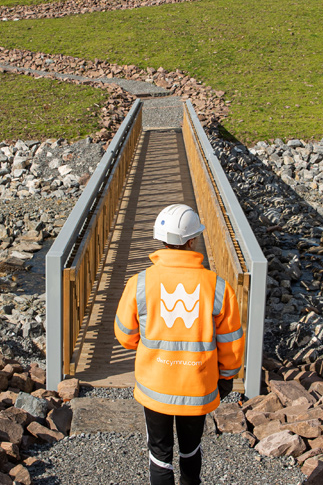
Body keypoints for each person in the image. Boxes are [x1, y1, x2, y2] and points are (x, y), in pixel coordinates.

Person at [114, 203, 245, 485]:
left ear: (161, 240)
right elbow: (231, 343)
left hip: (155, 386)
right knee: (191, 448)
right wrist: (227, 377)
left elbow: (125, 335)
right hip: (197, 386)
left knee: (160, 454)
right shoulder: (217, 286)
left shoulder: (140, 283)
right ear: (192, 240)